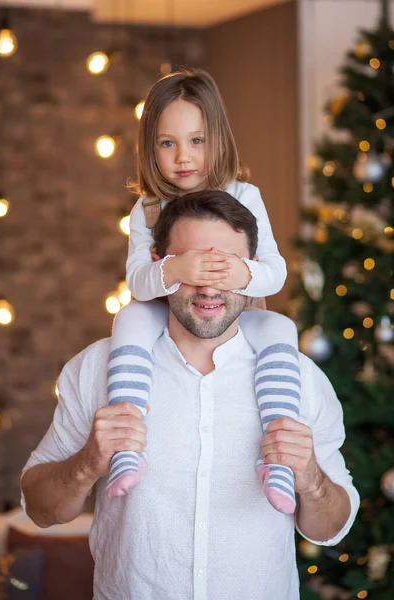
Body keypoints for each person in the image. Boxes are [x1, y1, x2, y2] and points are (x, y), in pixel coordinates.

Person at [21, 190, 360, 600]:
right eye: (191, 266)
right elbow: (39, 508)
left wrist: (310, 478)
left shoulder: (299, 380)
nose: (209, 287)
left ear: (253, 271)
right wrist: (88, 462)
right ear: (157, 268)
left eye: (226, 268)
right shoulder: (97, 369)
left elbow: (331, 527)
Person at [106, 68, 299, 514]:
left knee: (281, 328)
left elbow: (275, 271)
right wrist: (175, 267)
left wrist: (237, 270)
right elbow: (138, 279)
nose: (183, 157)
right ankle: (127, 442)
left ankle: (280, 457)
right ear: (150, 147)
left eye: (196, 140)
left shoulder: (244, 195)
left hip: (238, 314)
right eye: (167, 143)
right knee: (129, 317)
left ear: (217, 138)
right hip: (171, 316)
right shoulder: (148, 210)